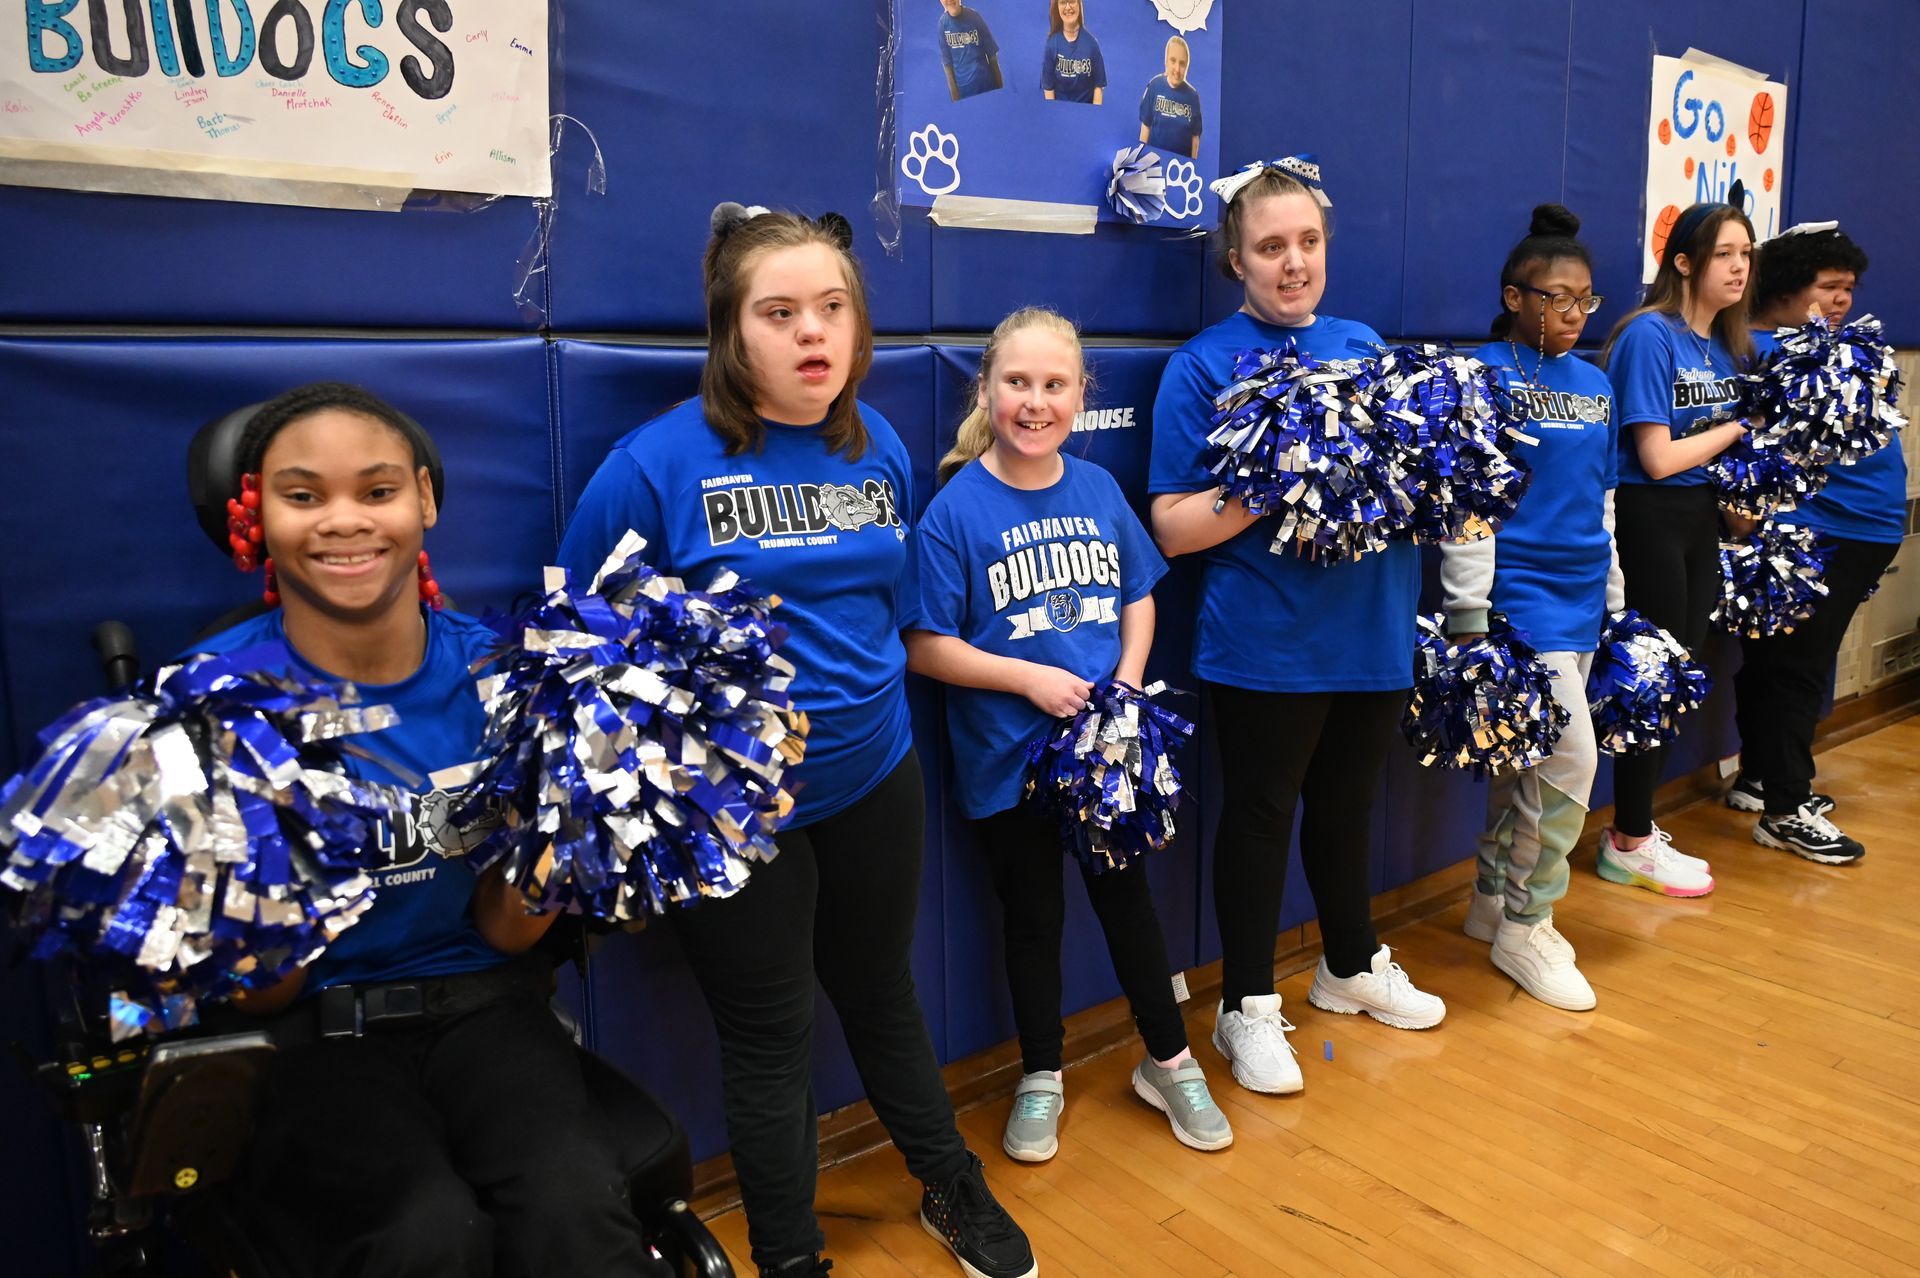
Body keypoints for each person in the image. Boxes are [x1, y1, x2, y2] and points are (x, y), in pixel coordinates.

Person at [557, 206, 1036, 1278]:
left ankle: (950, 1186)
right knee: (771, 1036)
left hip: (875, 771)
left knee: (880, 991)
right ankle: (790, 1258)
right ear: (732, 333)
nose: (812, 334)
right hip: (733, 813)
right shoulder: (649, 468)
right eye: (779, 313)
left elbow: (893, 617)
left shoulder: (882, 447)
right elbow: (579, 653)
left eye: (833, 309)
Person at [197, 382, 660, 1278]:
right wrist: (283, 865)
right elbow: (260, 997)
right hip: (315, 1037)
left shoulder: (505, 675)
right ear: (258, 513)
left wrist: (569, 823)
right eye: (303, 495)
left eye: (376, 492)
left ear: (425, 500)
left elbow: (504, 929)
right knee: (424, 1233)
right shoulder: (213, 702)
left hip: (487, 1007)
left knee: (573, 1207)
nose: (344, 522)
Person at [1148, 162, 1446, 1100]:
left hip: (1374, 630)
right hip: (1267, 645)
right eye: (1271, 246)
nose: (1293, 263)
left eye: (1307, 243)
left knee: (1349, 808)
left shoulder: (1367, 347)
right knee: (1262, 819)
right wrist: (1283, 468)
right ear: (1236, 258)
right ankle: (1244, 1004)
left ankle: (1348, 965)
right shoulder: (1201, 364)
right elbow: (1170, 525)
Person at [906, 306, 1230, 1161]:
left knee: (1130, 908)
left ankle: (1170, 1058)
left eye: (1055, 385)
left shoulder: (1095, 489)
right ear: (986, 389)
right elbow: (926, 646)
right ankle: (1041, 1075)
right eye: (1018, 383)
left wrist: (1125, 681)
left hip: (1102, 758)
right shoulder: (955, 510)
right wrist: (1028, 679)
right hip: (1007, 762)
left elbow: (1139, 595)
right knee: (1031, 920)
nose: (1036, 402)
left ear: (1082, 396)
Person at [1445, 205, 1623, 1011]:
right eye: (1557, 299)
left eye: (1585, 299)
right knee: (1572, 759)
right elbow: (1467, 506)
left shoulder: (1595, 382)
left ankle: (1488, 900)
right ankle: (1528, 922)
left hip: (1583, 596)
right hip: (1518, 602)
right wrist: (1468, 613)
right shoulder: (1481, 377)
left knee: (1523, 754)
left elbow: (1604, 499)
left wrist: (1617, 600)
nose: (1575, 314)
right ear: (1514, 297)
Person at [1598, 197, 1758, 893]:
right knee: (1651, 680)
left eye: (1747, 255)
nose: (1739, 268)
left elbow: (1710, 457)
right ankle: (1628, 838)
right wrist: (1739, 428)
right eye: (1725, 254)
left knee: (1677, 682)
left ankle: (1637, 828)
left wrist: (1739, 502)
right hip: (1649, 516)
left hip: (1699, 520)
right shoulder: (1648, 336)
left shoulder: (1726, 346)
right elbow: (1658, 456)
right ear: (1685, 262)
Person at [1728, 224, 1897, 864]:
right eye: (1829, 288)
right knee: (1796, 670)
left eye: (1848, 289)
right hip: (1820, 533)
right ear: (1790, 290)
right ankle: (1786, 808)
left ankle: (1762, 776)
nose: (1841, 302)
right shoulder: (1768, 351)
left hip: (1856, 530)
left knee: (1787, 664)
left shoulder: (1823, 346)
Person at [1137, 35, 1201, 158]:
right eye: (1173, 60)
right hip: (1153, 160)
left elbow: (1195, 136)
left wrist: (1193, 162)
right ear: (1166, 61)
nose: (1177, 69)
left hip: (1180, 165)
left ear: (1187, 66)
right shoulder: (1154, 85)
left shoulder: (1193, 96)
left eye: (1182, 64)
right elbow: (1145, 126)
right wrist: (1141, 158)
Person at [1039, 0, 1105, 105]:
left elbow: (1099, 86)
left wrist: (1093, 115)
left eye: (1072, 1)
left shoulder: (1092, 44)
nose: (1068, 7)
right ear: (1057, 7)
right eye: (1063, 2)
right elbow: (1048, 88)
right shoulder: (1052, 45)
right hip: (1060, 113)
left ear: (1079, 4)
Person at [939, 0, 1004, 101]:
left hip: (986, 85)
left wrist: (1000, 89)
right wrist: (955, 97)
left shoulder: (974, 17)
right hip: (964, 91)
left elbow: (992, 56)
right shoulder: (942, 24)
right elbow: (947, 64)